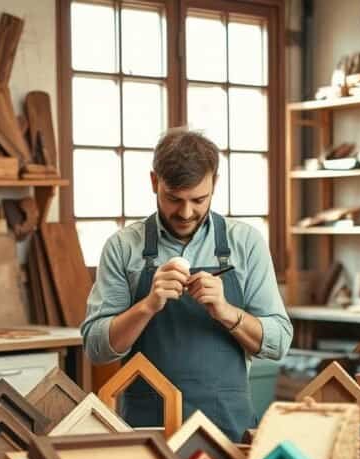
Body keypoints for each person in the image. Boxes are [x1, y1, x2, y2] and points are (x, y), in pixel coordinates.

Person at [80, 128, 293, 441]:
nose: (186, 212)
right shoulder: (123, 247)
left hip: (226, 428)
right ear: (155, 182)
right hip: (146, 429)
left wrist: (226, 312)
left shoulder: (245, 242)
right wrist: (147, 306)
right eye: (173, 199)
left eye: (199, 199)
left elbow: (279, 342)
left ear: (215, 183)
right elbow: (96, 347)